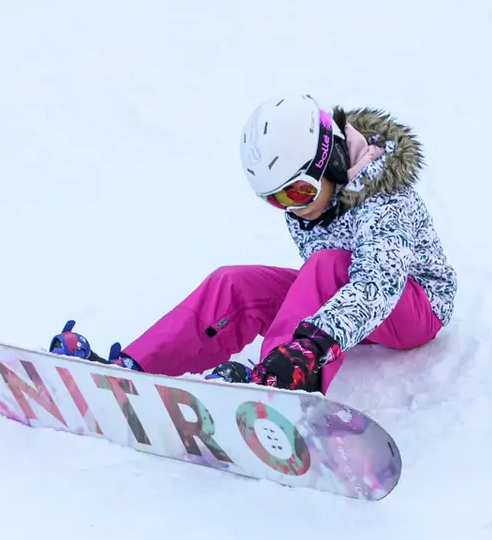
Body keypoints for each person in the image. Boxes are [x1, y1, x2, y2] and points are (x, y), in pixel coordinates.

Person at [49, 94, 456, 394]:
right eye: (275, 200)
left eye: (296, 192)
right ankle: (130, 370)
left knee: (326, 265)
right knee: (234, 283)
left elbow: (376, 285)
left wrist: (311, 346)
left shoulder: (385, 201)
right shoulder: (313, 198)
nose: (292, 208)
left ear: (329, 161)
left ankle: (278, 384)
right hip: (344, 310)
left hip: (413, 307)